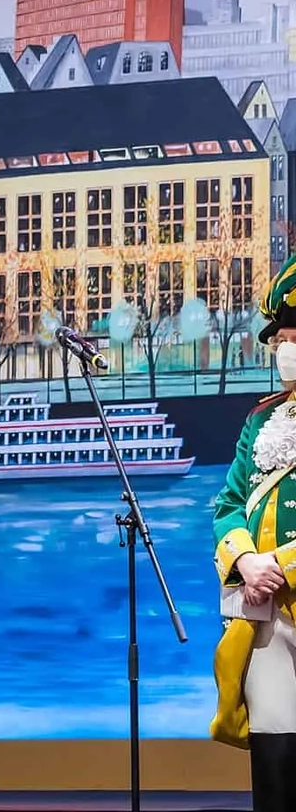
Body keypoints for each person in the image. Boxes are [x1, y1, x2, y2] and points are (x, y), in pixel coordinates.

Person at [212, 251, 296, 812]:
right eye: (280, 337)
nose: (283, 347)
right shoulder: (261, 421)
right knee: (275, 761)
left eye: (290, 334)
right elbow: (228, 504)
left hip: (281, 583)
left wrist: (280, 565)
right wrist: (246, 562)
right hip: (267, 613)